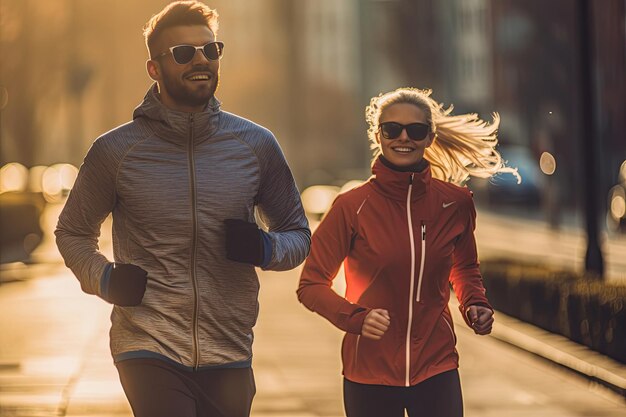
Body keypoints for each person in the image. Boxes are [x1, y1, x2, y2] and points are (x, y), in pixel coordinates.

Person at [55, 2, 310, 416]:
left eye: (211, 50)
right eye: (183, 53)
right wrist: (104, 278)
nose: (200, 61)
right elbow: (72, 232)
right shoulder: (116, 151)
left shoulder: (256, 145)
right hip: (146, 343)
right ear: (154, 68)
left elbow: (298, 234)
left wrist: (264, 248)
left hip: (229, 347)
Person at [297, 87, 519, 417]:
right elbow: (311, 285)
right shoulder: (351, 207)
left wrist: (474, 303)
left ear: (429, 137)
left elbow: (465, 267)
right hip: (368, 373)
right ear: (378, 134)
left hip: (437, 367)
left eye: (415, 130)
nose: (404, 137)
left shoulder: (455, 203)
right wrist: (356, 319)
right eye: (392, 129)